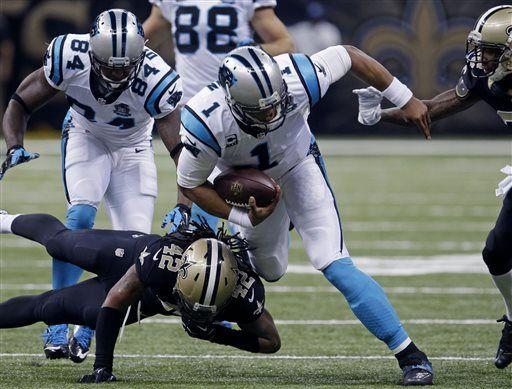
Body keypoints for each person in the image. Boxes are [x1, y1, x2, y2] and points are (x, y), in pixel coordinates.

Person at [175, 44, 433, 385]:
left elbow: (349, 55)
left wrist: (405, 97)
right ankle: (278, 222)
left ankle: (411, 356)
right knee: (272, 270)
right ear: (233, 104)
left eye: (275, 105)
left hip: (298, 165)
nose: (272, 115)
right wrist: (243, 218)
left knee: (334, 261)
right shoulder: (205, 120)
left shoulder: (297, 76)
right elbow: (191, 185)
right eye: (260, 112)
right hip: (252, 192)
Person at [0, 9, 184, 362]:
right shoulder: (68, 55)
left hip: (134, 150)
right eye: (109, 65)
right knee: (80, 219)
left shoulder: (157, 77)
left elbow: (180, 152)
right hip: (86, 136)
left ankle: (90, 325)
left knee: (135, 253)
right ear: (92, 52)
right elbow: (21, 102)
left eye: (124, 66)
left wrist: (184, 203)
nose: (116, 73)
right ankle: (55, 320)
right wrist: (14, 144)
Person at [353, 4, 512, 370]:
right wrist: (380, 115)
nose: (481, 58)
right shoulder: (484, 75)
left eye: (491, 51)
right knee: (497, 252)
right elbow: (428, 110)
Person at [0, 211, 278, 383]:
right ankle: (5, 219)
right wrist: (103, 368)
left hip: (151, 298)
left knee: (50, 308)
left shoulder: (245, 294)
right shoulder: (162, 261)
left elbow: (271, 342)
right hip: (133, 260)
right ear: (181, 274)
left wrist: (217, 335)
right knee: (60, 243)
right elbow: (116, 300)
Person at [143, 0, 295, 232]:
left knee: (243, 200)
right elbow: (146, 36)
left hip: (235, 108)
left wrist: (253, 51)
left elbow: (285, 44)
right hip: (191, 109)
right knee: (195, 208)